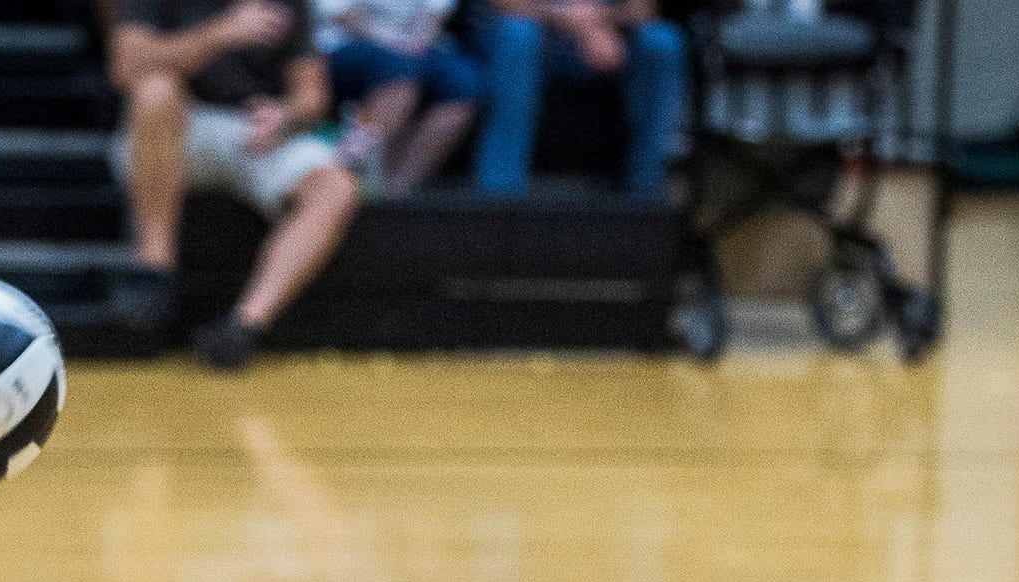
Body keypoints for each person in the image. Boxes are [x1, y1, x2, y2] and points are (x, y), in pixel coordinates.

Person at [99, 0, 363, 370]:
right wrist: (221, 33)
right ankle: (153, 271)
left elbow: (312, 92)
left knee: (336, 186)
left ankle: (243, 327)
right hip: (174, 127)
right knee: (155, 91)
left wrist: (286, 116)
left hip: (255, 131)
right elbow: (126, 67)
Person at [469, 0, 687, 201]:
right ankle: (499, 196)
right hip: (531, 31)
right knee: (517, 34)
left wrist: (601, 21)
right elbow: (505, 4)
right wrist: (577, 24)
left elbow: (641, 9)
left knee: (663, 41)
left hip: (606, 39)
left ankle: (646, 195)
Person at [317, 0, 484, 197]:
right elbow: (341, 13)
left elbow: (434, 14)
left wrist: (413, 43)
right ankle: (351, 176)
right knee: (400, 70)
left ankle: (395, 194)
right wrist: (395, 44)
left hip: (416, 46)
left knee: (465, 84)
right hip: (346, 44)